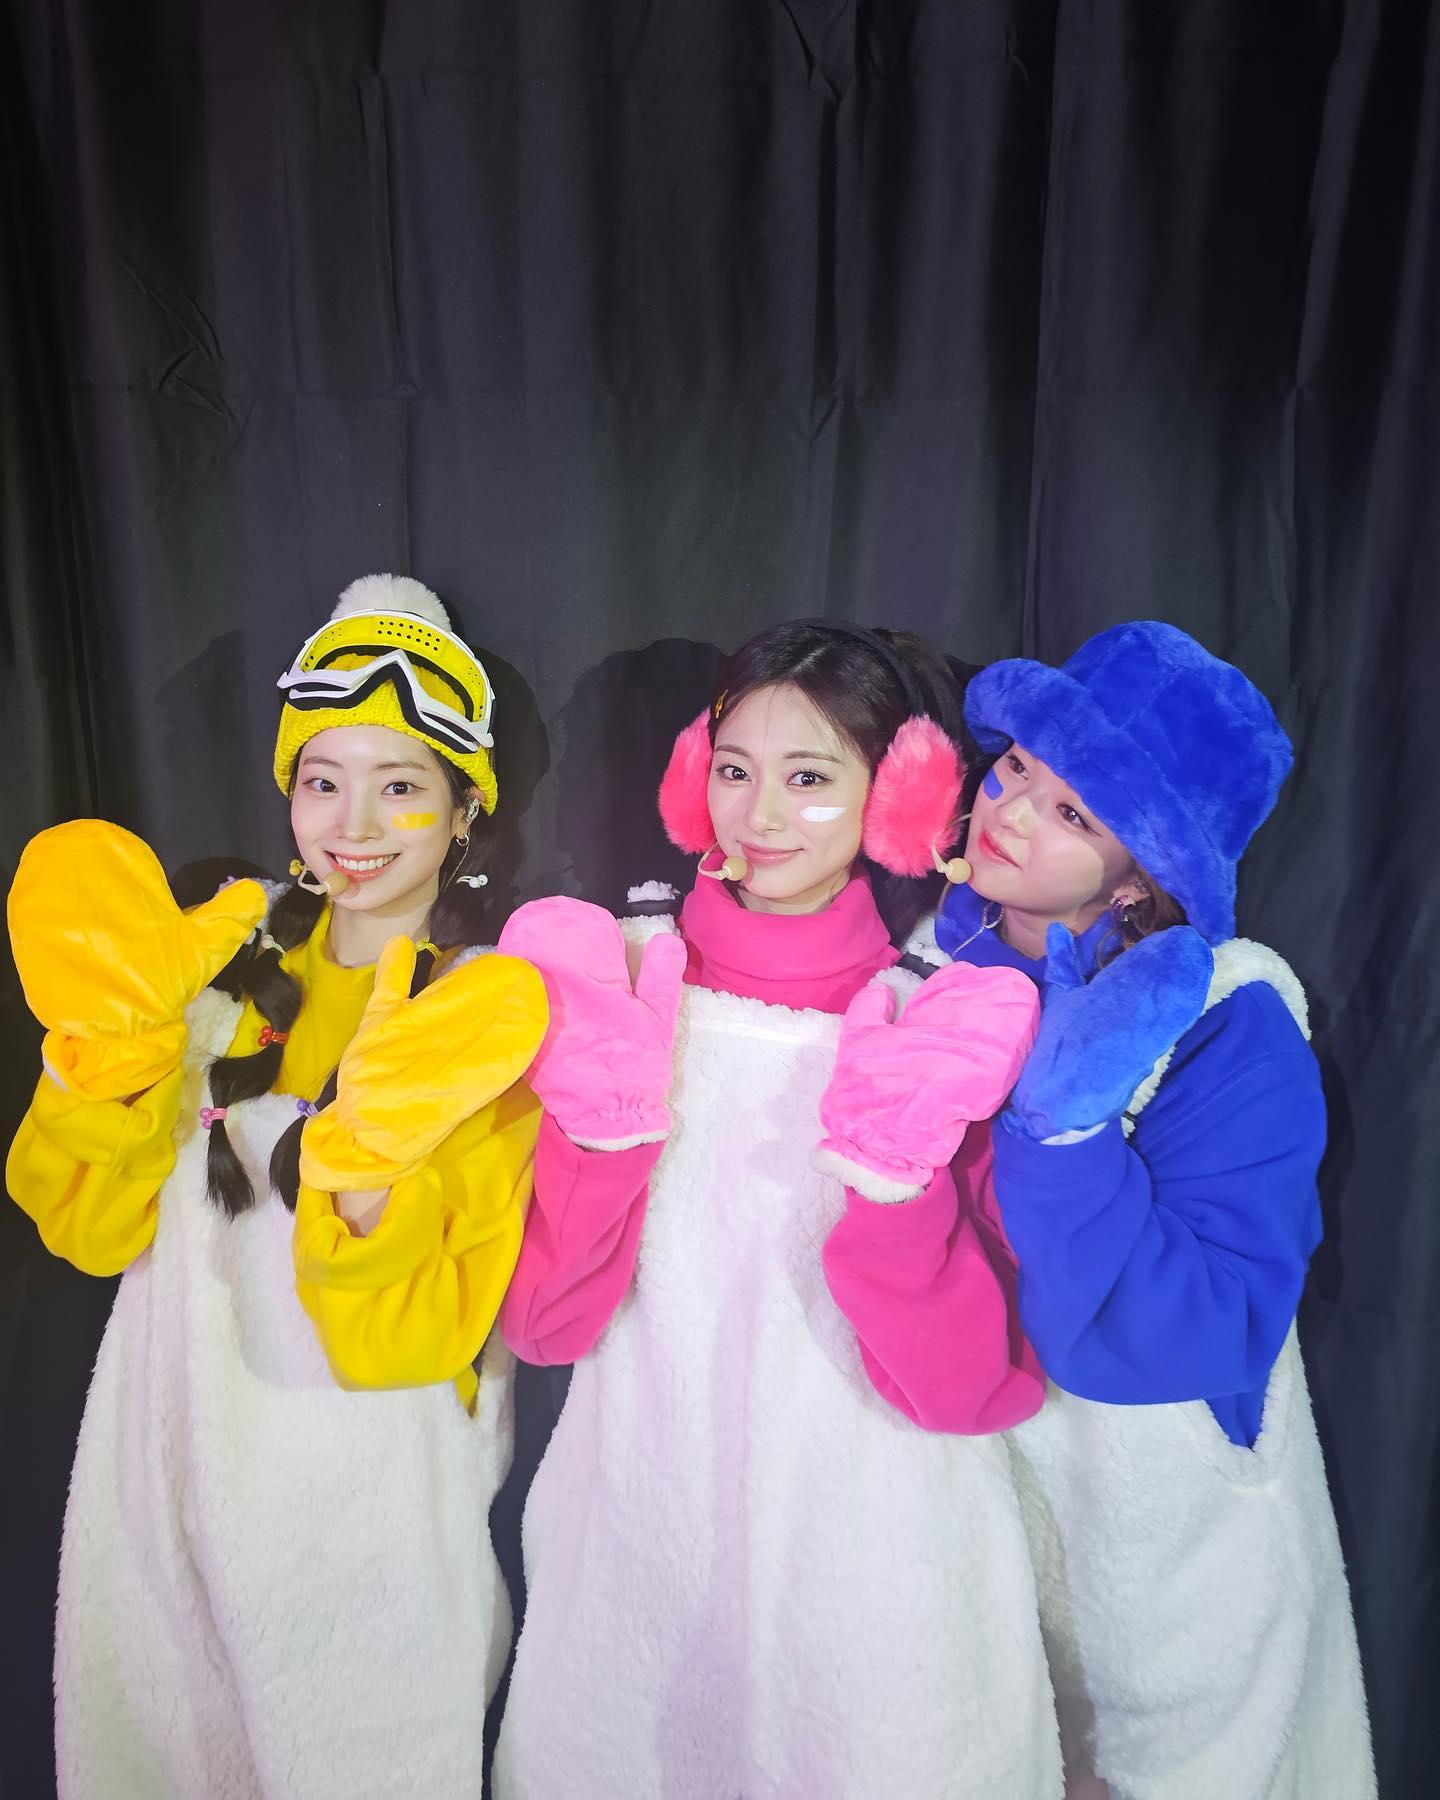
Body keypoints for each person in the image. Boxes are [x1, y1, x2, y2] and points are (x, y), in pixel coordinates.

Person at [491, 619, 1063, 1799]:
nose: (759, 815)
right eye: (735, 769)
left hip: (875, 1599)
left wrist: (895, 1175)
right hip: (639, 1583)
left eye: (810, 778)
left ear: (901, 800)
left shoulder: (941, 1022)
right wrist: (602, 1128)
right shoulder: (619, 980)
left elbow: (971, 1390)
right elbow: (544, 1329)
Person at [6, 574, 547, 1800]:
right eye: (322, 781)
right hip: (162, 1508)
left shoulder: (485, 1020)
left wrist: (366, 1160)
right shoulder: (211, 984)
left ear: (467, 807)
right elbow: (89, 1228)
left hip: (365, 1527)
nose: (353, 823)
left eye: (400, 785)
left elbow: (417, 1336)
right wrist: (112, 1051)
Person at [927, 619, 1375, 1798]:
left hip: (1159, 1553)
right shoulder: (922, 967)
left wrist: (1066, 1134)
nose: (1010, 811)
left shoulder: (1229, 1016)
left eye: (1075, 812)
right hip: (956, 1548)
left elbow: (1210, 1324)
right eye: (1017, 766)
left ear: (1141, 876)